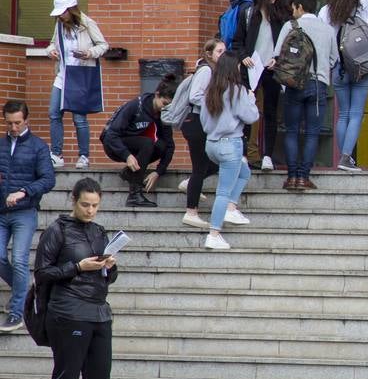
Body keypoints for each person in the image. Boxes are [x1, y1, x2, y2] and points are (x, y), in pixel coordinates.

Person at [34, 177, 118, 379]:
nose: (90, 210)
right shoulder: (57, 230)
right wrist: (77, 267)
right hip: (68, 312)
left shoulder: (98, 232)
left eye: (95, 205)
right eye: (85, 204)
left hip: (98, 311)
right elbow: (42, 273)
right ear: (74, 200)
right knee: (66, 378)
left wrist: (109, 267)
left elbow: (108, 278)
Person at [271, 0, 336, 192]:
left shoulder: (289, 26)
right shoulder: (327, 30)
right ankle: (303, 177)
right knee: (312, 133)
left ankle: (291, 177)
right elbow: (333, 59)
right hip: (318, 85)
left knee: (291, 131)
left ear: (299, 6)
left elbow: (278, 56)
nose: (293, 11)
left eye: (294, 7)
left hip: (293, 85)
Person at [319, 0, 368, 172]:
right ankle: (347, 157)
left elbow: (324, 41)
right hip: (361, 67)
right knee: (356, 114)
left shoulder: (326, 11)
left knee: (343, 114)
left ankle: (342, 158)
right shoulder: (362, 7)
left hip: (338, 67)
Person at [0, 100, 55, 333]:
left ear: (27, 120)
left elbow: (48, 180)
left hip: (24, 211)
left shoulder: (38, 147)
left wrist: (24, 192)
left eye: (18, 123)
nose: (13, 128)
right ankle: (24, 290)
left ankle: (17, 311)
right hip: (1, 211)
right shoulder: (1, 145)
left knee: (20, 259)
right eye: (9, 123)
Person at [199, 53, 259, 250]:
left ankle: (231, 207)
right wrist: (251, 100)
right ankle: (214, 233)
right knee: (223, 192)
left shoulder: (211, 91)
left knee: (244, 172)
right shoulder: (237, 91)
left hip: (212, 143)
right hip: (230, 144)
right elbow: (251, 117)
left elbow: (203, 120)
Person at [232, 0, 289, 171]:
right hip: (252, 67)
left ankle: (267, 156)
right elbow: (237, 41)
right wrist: (243, 56)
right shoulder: (248, 13)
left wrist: (278, 58)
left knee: (272, 112)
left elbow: (286, 45)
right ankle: (245, 155)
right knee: (248, 110)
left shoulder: (282, 16)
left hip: (271, 69)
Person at [45, 0, 109, 170]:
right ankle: (57, 154)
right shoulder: (59, 24)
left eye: (62, 12)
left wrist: (89, 53)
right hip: (63, 74)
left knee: (79, 118)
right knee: (54, 113)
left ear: (71, 10)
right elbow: (52, 43)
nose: (60, 16)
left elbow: (103, 45)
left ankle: (83, 156)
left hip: (80, 74)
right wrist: (50, 51)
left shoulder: (87, 23)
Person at [100, 76, 178, 208]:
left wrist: (158, 171)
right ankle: (134, 195)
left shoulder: (162, 114)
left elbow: (169, 145)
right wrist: (127, 155)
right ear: (157, 95)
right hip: (114, 145)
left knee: (161, 146)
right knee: (147, 142)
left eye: (169, 106)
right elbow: (110, 135)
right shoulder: (135, 106)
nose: (165, 108)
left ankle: (129, 174)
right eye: (164, 104)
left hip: (136, 145)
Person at [179, 38, 225, 228]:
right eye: (219, 52)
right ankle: (191, 211)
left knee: (213, 163)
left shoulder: (214, 71)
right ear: (209, 54)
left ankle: (189, 184)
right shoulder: (206, 70)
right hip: (196, 122)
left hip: (202, 123)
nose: (223, 55)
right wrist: (215, 103)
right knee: (200, 167)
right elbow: (195, 96)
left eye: (224, 51)